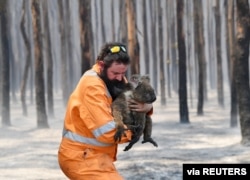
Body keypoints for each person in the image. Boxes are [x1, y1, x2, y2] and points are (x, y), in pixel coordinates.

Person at [58, 42, 153, 180]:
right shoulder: (92, 87)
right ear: (102, 65)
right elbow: (107, 131)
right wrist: (136, 130)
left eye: (123, 73)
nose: (121, 78)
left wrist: (148, 108)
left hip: (97, 157)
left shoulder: (114, 78)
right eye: (115, 73)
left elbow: (133, 102)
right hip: (81, 158)